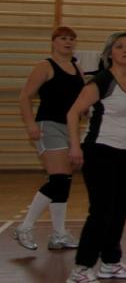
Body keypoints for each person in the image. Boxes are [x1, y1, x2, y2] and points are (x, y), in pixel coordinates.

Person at [65, 32, 126, 283]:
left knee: (119, 209)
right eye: (119, 46)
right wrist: (75, 147)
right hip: (99, 150)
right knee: (101, 211)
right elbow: (73, 113)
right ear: (109, 53)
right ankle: (81, 268)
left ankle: (110, 262)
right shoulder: (102, 81)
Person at [13, 26, 85, 252]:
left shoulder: (77, 68)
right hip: (49, 125)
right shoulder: (45, 66)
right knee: (58, 180)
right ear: (54, 42)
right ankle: (24, 227)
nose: (68, 42)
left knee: (64, 182)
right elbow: (25, 96)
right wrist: (30, 124)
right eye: (63, 38)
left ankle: (59, 234)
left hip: (70, 128)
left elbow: (80, 100)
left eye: (71, 39)